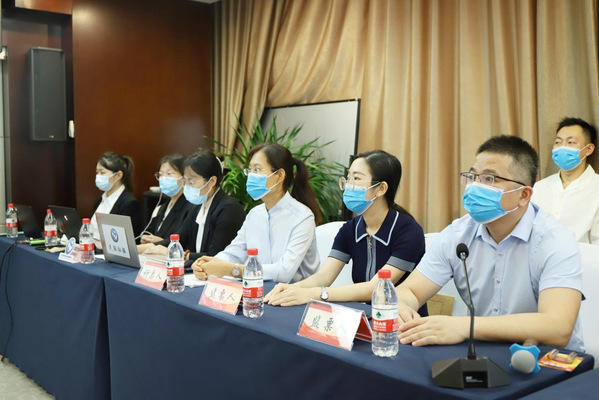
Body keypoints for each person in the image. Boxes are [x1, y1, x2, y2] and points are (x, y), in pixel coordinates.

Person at [395, 135, 584, 352]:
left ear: (523, 195)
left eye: (490, 179)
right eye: (473, 176)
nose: (475, 186)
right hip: (482, 353)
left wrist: (465, 326)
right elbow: (411, 291)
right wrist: (402, 307)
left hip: (548, 360)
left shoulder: (555, 240)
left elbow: (558, 327)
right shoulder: (458, 234)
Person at [265, 150, 427, 314]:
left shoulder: (408, 232)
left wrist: (315, 294)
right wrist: (292, 288)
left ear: (381, 188)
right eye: (348, 178)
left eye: (356, 179)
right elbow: (323, 277)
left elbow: (376, 287)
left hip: (400, 320)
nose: (348, 186)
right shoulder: (350, 229)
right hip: (364, 316)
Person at [192, 143, 321, 283]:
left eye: (257, 169)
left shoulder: (302, 218)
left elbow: (284, 272)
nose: (251, 176)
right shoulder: (255, 214)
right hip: (257, 288)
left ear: (279, 176)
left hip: (294, 293)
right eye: (250, 170)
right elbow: (233, 253)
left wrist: (233, 270)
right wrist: (208, 264)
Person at [143, 149, 246, 262]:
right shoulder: (197, 206)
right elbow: (179, 240)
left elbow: (215, 256)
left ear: (212, 181)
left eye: (191, 182)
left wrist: (181, 254)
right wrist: (150, 248)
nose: (187, 186)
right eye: (185, 182)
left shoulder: (228, 209)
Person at [531, 117, 599, 245]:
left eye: (571, 142)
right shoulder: (539, 187)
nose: (562, 147)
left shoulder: (596, 188)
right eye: (558, 142)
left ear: (589, 149)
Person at [137, 154, 193, 254]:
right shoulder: (161, 207)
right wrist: (147, 239)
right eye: (161, 174)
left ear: (184, 178)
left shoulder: (191, 207)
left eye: (169, 174)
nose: (163, 178)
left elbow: (184, 240)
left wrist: (160, 241)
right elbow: (150, 232)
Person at [91, 151, 142, 239]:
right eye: (97, 172)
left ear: (118, 175)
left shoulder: (129, 203)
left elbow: (126, 239)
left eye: (102, 173)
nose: (98, 176)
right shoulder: (100, 199)